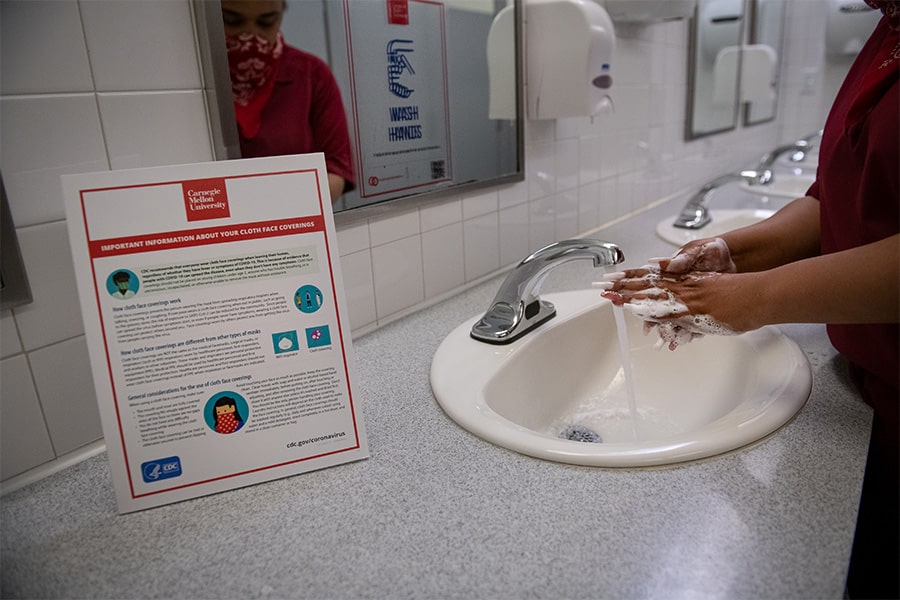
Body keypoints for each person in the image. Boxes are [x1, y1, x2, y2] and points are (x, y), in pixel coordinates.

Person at [602, 3, 898, 597]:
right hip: (866, 395)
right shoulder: (888, 29)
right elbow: (838, 196)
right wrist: (737, 252)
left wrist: (757, 299)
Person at [221, 0, 355, 203]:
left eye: (266, 23)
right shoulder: (193, 76)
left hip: (293, 223)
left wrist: (281, 215)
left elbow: (337, 168)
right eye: (232, 21)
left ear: (281, 14)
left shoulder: (312, 74)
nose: (250, 34)